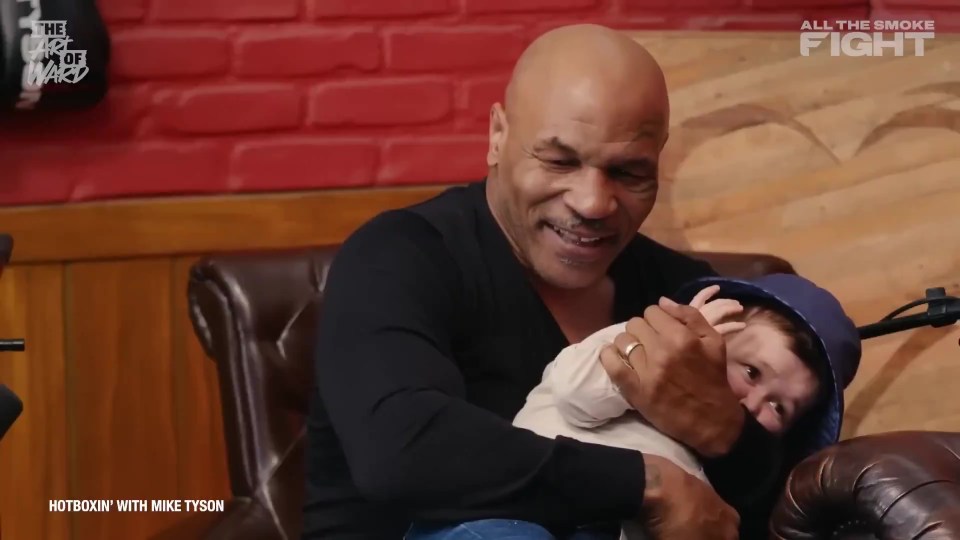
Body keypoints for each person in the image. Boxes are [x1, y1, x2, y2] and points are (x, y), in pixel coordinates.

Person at [305, 23, 783, 540]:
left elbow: (784, 498)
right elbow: (401, 450)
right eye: (560, 161)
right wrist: (648, 484)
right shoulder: (399, 256)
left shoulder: (685, 292)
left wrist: (728, 433)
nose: (593, 203)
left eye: (628, 173)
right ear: (497, 136)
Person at [406, 274, 861, 539]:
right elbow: (575, 392)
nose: (752, 403)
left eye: (780, 409)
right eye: (751, 372)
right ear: (710, 332)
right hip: (508, 516)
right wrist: (659, 365)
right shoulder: (637, 345)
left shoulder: (712, 473)